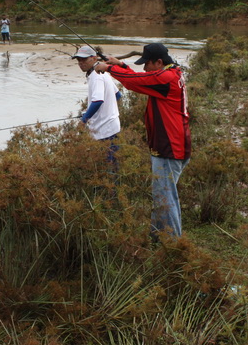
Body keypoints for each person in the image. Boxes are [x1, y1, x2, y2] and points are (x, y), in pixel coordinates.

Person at [94, 43, 191, 241]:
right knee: (162, 196)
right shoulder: (171, 73)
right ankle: (157, 239)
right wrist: (120, 64)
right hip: (170, 146)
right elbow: (143, 79)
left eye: (147, 64)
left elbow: (135, 81)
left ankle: (173, 246)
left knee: (165, 199)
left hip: (170, 147)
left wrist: (110, 68)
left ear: (159, 62)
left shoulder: (166, 78)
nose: (145, 68)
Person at [73, 45, 121, 168]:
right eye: (79, 60)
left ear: (94, 58)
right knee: (111, 165)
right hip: (111, 126)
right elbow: (117, 95)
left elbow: (98, 101)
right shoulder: (103, 73)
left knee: (109, 167)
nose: (81, 63)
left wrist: (83, 120)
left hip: (105, 130)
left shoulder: (96, 76)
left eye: (84, 59)